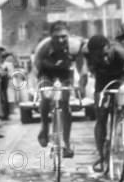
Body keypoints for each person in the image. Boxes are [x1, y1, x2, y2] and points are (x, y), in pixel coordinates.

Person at [82, 35, 124, 171]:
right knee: (101, 115)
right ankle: (102, 155)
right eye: (100, 57)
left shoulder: (121, 53)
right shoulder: (86, 52)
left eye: (107, 54)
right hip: (102, 80)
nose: (105, 59)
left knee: (123, 91)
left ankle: (121, 119)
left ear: (110, 48)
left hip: (121, 77)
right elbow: (84, 75)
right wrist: (82, 89)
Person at [33, 20, 86, 158]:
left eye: (64, 36)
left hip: (65, 74)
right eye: (56, 37)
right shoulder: (43, 47)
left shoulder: (75, 46)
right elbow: (35, 69)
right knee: (46, 98)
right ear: (51, 36)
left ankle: (66, 142)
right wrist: (36, 88)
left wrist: (81, 85)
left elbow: (82, 69)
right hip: (46, 73)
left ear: (69, 35)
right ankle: (44, 128)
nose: (60, 40)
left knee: (65, 103)